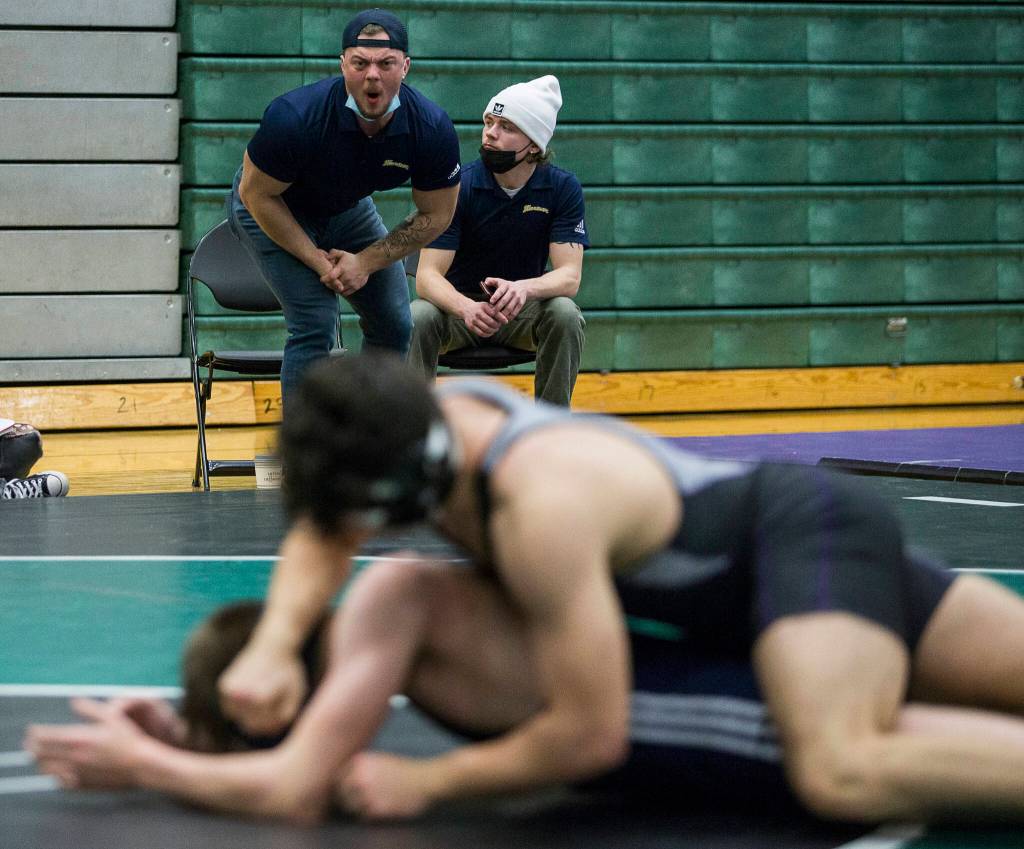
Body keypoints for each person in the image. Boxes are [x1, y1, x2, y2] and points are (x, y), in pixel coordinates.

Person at [29, 354, 1024, 825]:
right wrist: (273, 646)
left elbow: (589, 736)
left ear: (405, 491)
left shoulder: (538, 508)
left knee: (840, 766)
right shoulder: (429, 418)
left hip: (791, 543)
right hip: (764, 568)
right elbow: (325, 538)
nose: (352, 540)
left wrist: (427, 782)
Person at [25, 566, 781, 821]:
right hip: (682, 725)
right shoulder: (358, 639)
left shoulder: (384, 605)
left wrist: (143, 762)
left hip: (719, 711)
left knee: (864, 760)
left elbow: (296, 790)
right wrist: (178, 732)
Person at [228, 7, 461, 406]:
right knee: (315, 322)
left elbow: (437, 214)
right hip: (272, 206)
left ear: (405, 67)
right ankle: (307, 460)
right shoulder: (295, 118)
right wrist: (320, 262)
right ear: (343, 65)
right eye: (360, 63)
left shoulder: (431, 130)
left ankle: (368, 441)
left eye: (386, 63)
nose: (373, 75)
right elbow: (256, 194)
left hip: (347, 209)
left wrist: (366, 261)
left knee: (394, 321)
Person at [408, 76, 587, 406]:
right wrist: (467, 308)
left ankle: (548, 429)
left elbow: (569, 277)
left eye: (506, 126)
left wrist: (523, 289)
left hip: (518, 311)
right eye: (489, 122)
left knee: (565, 313)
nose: (490, 132)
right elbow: (426, 277)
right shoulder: (459, 185)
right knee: (418, 316)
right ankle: (415, 433)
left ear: (534, 144)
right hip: (458, 311)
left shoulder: (562, 188)